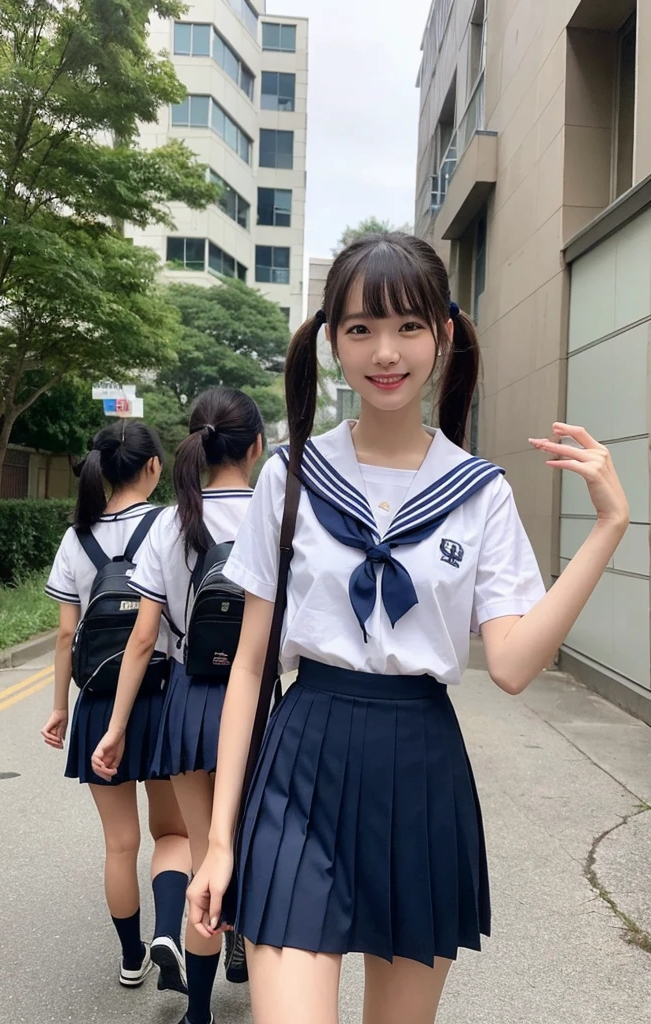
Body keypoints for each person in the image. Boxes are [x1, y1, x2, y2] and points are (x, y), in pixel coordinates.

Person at [186, 233, 629, 1024]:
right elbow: (249, 667)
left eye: (408, 328)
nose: (384, 352)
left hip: (420, 772)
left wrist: (607, 529)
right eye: (359, 329)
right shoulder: (290, 478)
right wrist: (219, 840)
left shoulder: (478, 492)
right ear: (332, 341)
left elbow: (516, 662)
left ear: (444, 334)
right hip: (300, 765)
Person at [91, 387, 264, 1024]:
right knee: (253, 847)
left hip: (189, 704)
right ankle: (249, 942)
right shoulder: (275, 517)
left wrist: (113, 730)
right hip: (260, 707)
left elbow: (143, 638)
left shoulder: (170, 522)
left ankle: (198, 1011)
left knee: (200, 848)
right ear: (256, 447)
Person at [40, 421, 192, 992]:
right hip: (159, 696)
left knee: (119, 842)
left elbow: (64, 635)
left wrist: (60, 707)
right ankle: (169, 933)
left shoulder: (77, 536)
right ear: (154, 467)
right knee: (172, 834)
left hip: (99, 704)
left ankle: (131, 958)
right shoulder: (172, 525)